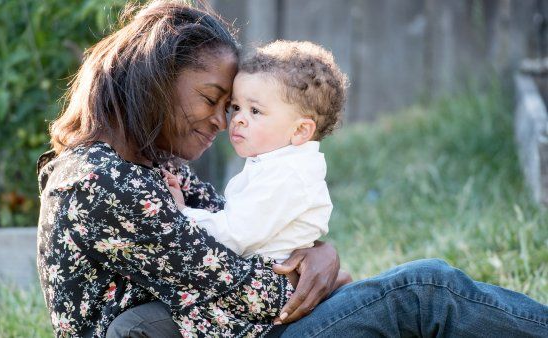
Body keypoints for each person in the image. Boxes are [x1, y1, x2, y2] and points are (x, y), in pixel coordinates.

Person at [36, 1, 548, 337]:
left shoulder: (150, 166)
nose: (223, 121)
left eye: (234, 106)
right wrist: (327, 273)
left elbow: (250, 237)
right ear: (155, 81)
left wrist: (317, 252)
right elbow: (241, 286)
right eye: (214, 100)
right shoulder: (98, 180)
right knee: (422, 291)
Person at [164, 40, 345, 264]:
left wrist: (182, 213)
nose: (237, 119)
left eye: (255, 111)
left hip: (274, 290)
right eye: (237, 107)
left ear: (300, 130)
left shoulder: (287, 175)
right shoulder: (277, 166)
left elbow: (233, 235)